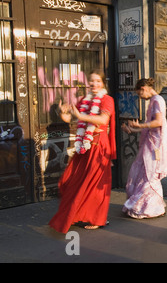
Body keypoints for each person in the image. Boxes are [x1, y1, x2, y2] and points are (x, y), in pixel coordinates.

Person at [49, 69, 116, 233]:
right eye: (92, 81)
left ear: (103, 84)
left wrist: (81, 115)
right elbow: (70, 118)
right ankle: (78, 213)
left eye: (98, 81)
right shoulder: (84, 100)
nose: (94, 84)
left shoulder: (107, 100)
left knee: (95, 184)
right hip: (83, 148)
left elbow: (103, 119)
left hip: (99, 146)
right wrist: (62, 112)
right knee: (73, 180)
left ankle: (98, 219)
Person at [121, 78, 167, 219]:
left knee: (150, 174)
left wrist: (139, 126)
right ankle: (149, 207)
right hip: (151, 143)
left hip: (155, 145)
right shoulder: (155, 100)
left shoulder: (156, 100)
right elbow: (150, 127)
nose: (140, 97)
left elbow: (157, 122)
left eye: (139, 94)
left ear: (144, 88)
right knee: (146, 173)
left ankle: (150, 207)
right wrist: (132, 129)